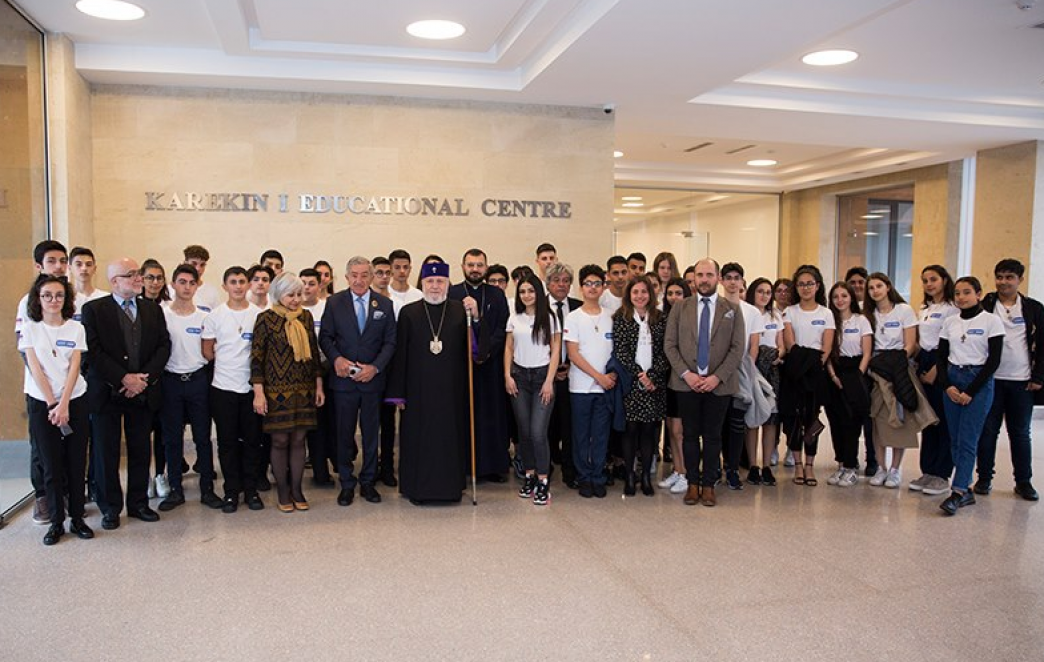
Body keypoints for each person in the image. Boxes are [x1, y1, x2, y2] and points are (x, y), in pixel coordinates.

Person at [82, 258, 171, 530]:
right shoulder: (94, 310)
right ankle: (110, 508)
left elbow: (163, 346)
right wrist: (123, 378)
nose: (137, 279)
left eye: (138, 274)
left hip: (142, 391)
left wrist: (143, 379)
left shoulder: (151, 310)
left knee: (140, 449)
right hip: (107, 391)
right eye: (130, 275)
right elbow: (94, 351)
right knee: (106, 451)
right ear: (114, 281)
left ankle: (138, 504)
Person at [385, 262, 469, 505]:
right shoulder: (410, 313)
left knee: (449, 438)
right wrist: (398, 394)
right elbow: (400, 355)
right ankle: (416, 489)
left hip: (451, 392)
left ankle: (450, 489)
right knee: (418, 438)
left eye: (440, 281)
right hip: (417, 391)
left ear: (447, 284)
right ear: (422, 284)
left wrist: (476, 318)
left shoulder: (458, 311)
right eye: (430, 282)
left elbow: (473, 350)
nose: (435, 286)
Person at [664, 258, 746, 507]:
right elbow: (670, 344)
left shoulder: (731, 308)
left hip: (718, 385)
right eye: (700, 275)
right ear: (695, 278)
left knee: (712, 437)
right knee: (689, 436)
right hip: (686, 383)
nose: (704, 279)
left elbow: (737, 347)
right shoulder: (681, 307)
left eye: (709, 275)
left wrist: (716, 377)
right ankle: (692, 484)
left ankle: (709, 485)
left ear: (718, 278)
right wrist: (686, 374)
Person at [20, 276, 92, 545]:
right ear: (38, 298)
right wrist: (52, 404)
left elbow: (75, 367)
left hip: (74, 399)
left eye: (59, 295)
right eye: (47, 295)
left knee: (76, 462)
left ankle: (77, 518)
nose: (53, 300)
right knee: (50, 465)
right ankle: (56, 522)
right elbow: (35, 368)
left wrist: (64, 404)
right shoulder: (31, 329)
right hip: (42, 402)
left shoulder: (75, 328)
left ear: (66, 299)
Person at [320, 256, 397, 506]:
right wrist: (337, 359)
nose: (359, 279)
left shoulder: (384, 304)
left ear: (372, 277)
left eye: (365, 274)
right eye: (354, 274)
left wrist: (375, 368)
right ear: (346, 277)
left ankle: (367, 482)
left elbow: (390, 342)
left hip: (372, 382)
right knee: (344, 434)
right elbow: (326, 338)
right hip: (343, 382)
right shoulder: (334, 303)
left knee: (371, 434)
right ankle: (347, 482)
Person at [251, 272, 324, 512]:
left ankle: (297, 489)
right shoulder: (265, 319)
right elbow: (257, 359)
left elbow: (313, 354)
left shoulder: (305, 317)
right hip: (275, 392)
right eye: (290, 295)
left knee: (299, 439)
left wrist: (318, 385)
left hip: (303, 390)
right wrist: (259, 393)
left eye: (298, 294)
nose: (295, 299)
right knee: (280, 440)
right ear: (278, 295)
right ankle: (283, 491)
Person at [934, 276, 1006, 515]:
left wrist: (970, 392)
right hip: (953, 379)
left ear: (978, 294)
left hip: (978, 382)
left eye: (967, 292)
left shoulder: (991, 321)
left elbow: (993, 361)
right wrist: (947, 386)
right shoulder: (950, 322)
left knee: (967, 440)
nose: (961, 297)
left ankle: (957, 493)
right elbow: (941, 357)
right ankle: (965, 488)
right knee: (954, 439)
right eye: (957, 293)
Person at [975, 258, 1044, 500]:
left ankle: (1023, 481)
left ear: (1019, 280)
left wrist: (1038, 376)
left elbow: (1042, 345)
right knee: (987, 430)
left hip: (1022, 380)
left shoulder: (1034, 308)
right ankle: (984, 478)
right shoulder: (986, 304)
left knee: (1020, 433)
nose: (1004, 282)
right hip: (991, 379)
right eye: (1000, 277)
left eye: (1009, 277)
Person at [157, 263, 222, 512]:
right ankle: (175, 489)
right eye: (181, 282)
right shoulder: (162, 314)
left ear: (197, 286)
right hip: (170, 381)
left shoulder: (205, 317)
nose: (186, 287)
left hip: (197, 381)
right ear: (173, 284)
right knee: (172, 438)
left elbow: (210, 352)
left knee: (203, 438)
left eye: (191, 283)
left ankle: (207, 488)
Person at [201, 266, 264, 513]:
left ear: (248, 285)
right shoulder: (215, 316)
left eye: (242, 281)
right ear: (225, 286)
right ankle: (231, 491)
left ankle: (251, 491)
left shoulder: (259, 314)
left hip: (251, 389)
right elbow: (207, 351)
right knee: (227, 443)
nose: (238, 286)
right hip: (223, 388)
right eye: (233, 282)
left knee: (252, 442)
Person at [15, 240, 68, 525]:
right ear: (39, 266)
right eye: (51, 261)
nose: (58, 266)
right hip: (41, 390)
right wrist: (47, 389)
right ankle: (44, 498)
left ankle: (69, 495)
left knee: (70, 443)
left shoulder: (71, 299)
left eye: (62, 260)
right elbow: (24, 348)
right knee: (42, 447)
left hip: (71, 388)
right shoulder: (29, 301)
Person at [450, 248, 511, 482]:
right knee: (464, 415)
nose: (475, 269)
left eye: (479, 265)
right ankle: (464, 464)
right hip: (462, 367)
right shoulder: (453, 293)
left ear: (486, 267)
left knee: (491, 415)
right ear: (463, 266)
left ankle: (492, 467)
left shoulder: (496, 295)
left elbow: (502, 329)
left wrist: (485, 352)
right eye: (470, 264)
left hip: (491, 366)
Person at [504, 274, 560, 505]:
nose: (527, 295)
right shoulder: (514, 318)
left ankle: (543, 480)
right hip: (519, 377)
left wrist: (549, 380)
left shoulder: (549, 317)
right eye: (523, 291)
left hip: (541, 378)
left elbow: (556, 350)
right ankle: (529, 476)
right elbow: (508, 348)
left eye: (531, 291)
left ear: (539, 292)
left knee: (538, 432)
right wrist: (507, 375)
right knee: (524, 432)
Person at [564, 264, 616, 498]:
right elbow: (573, 354)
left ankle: (598, 476)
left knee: (601, 434)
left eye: (597, 283)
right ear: (581, 287)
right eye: (588, 284)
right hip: (580, 387)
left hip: (606, 387)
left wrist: (611, 377)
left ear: (603, 286)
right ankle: (584, 477)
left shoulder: (611, 317)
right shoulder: (573, 318)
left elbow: (617, 353)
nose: (592, 288)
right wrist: (599, 377)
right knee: (581, 435)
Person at [612, 275, 667, 496]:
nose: (640, 296)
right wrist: (639, 375)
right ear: (629, 295)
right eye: (635, 292)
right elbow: (621, 351)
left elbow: (666, 349)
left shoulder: (660, 318)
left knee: (648, 431)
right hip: (631, 383)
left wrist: (652, 376)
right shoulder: (621, 317)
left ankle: (645, 476)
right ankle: (630, 474)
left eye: (644, 292)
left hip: (654, 384)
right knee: (630, 430)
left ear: (650, 295)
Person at [781, 265, 835, 487]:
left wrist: (812, 366)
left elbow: (827, 347)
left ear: (818, 286)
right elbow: (790, 344)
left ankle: (810, 465)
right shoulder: (789, 312)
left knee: (811, 420)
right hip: (793, 373)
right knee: (793, 420)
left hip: (815, 376)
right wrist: (804, 364)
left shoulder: (826, 313)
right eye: (801, 284)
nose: (805, 288)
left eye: (810, 283)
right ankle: (797, 466)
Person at [864, 272, 919, 489]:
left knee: (899, 417)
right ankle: (881, 467)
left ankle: (895, 469)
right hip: (877, 368)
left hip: (898, 366)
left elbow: (911, 344)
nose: (875, 290)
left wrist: (896, 363)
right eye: (871, 288)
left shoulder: (903, 310)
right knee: (878, 420)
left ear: (888, 287)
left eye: (879, 286)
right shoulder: (868, 314)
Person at [910, 265, 959, 496]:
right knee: (929, 420)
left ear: (944, 280)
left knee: (944, 420)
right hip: (925, 359)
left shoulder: (952, 309)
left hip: (943, 362)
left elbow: (951, 342)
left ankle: (942, 473)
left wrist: (937, 371)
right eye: (925, 280)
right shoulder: (925, 308)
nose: (929, 284)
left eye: (933, 279)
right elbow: (922, 339)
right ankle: (927, 470)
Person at [824, 282, 872, 487]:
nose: (840, 300)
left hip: (855, 371)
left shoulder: (861, 320)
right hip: (834, 370)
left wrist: (858, 375)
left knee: (852, 421)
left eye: (844, 295)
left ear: (851, 297)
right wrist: (834, 376)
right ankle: (841, 464)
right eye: (836, 297)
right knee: (836, 420)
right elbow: (826, 352)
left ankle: (851, 466)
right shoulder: (829, 320)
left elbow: (867, 351)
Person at [720, 262, 763, 489]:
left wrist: (744, 369)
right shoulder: (714, 306)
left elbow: (753, 346)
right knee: (718, 424)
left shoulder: (751, 312)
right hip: (717, 374)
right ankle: (717, 467)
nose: (733, 281)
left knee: (737, 422)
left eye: (737, 277)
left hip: (741, 372)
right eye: (728, 277)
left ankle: (733, 469)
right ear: (721, 280)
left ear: (742, 282)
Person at [745, 277, 785, 486]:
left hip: (772, 370)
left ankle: (767, 465)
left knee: (771, 420)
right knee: (752, 419)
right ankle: (752, 465)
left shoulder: (775, 315)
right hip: (752, 369)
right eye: (760, 291)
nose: (764, 295)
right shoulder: (748, 313)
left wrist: (778, 356)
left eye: (768, 292)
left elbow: (781, 343)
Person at [546, 262, 581, 488]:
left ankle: (570, 471)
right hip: (546, 376)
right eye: (557, 280)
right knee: (546, 425)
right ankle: (545, 469)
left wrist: (568, 365)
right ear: (548, 283)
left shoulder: (578, 308)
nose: (561, 285)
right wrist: (552, 369)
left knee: (570, 427)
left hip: (573, 375)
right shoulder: (539, 307)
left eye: (566, 281)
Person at [139, 258, 171, 498]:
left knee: (163, 432)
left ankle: (161, 474)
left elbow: (165, 345)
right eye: (150, 277)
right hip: (136, 381)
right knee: (141, 432)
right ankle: (144, 477)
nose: (155, 282)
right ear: (140, 279)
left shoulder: (168, 307)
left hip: (162, 379)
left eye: (159, 278)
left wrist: (153, 373)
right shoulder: (132, 305)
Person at [301, 267, 335, 486]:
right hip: (300, 373)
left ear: (320, 285)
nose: (306, 287)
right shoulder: (292, 309)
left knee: (322, 425)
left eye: (311, 283)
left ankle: (321, 471)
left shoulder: (328, 307)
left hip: (326, 369)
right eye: (302, 283)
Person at [658, 278, 691, 494]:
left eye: (678, 293)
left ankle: (686, 473)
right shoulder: (662, 318)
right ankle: (677, 471)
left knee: (680, 431)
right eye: (670, 293)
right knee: (670, 427)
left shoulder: (690, 319)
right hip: (665, 379)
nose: (674, 297)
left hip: (683, 379)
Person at [180, 244, 223, 312]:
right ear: (185, 263)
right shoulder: (171, 290)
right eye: (194, 264)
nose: (198, 269)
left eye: (202, 265)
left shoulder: (212, 291)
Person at [70, 246, 108, 319]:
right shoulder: (65, 299)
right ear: (70, 268)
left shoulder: (105, 297)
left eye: (88, 264)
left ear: (94, 268)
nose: (84, 268)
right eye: (79, 264)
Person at [388, 249, 424, 317]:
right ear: (390, 269)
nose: (402, 271)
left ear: (410, 269)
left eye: (405, 267)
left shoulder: (419, 296)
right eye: (397, 267)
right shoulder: (384, 295)